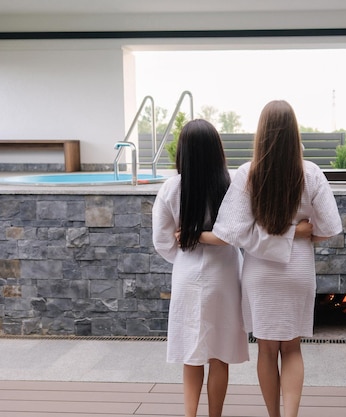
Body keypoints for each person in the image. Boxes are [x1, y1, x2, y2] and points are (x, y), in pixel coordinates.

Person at [205, 100, 343, 417]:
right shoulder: (311, 173)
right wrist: (297, 232)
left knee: (267, 350)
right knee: (292, 347)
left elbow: (230, 231)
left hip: (260, 273)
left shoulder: (246, 174)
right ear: (295, 133)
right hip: (298, 269)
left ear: (261, 133)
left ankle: (274, 415)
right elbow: (328, 228)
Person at [152, 119, 249, 417]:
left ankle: (190, 414)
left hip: (188, 276)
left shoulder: (172, 188)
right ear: (217, 150)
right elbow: (238, 233)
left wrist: (185, 255)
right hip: (224, 276)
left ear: (183, 152)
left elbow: (162, 241)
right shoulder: (231, 184)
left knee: (192, 353)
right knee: (219, 354)